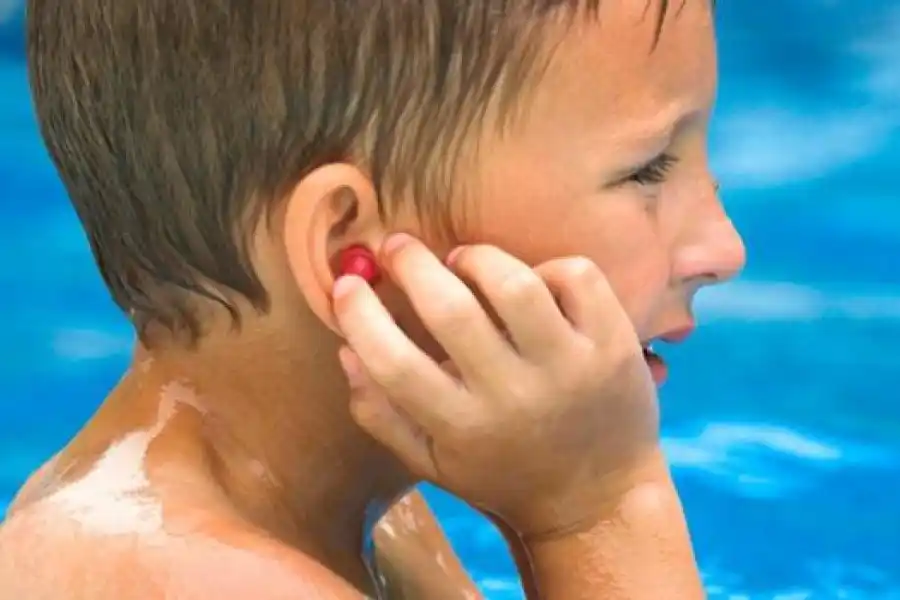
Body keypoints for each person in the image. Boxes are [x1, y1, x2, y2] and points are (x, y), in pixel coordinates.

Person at [1, 0, 744, 598]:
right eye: (647, 170)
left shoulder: (364, 513)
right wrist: (594, 513)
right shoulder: (175, 577)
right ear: (346, 250)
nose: (724, 249)